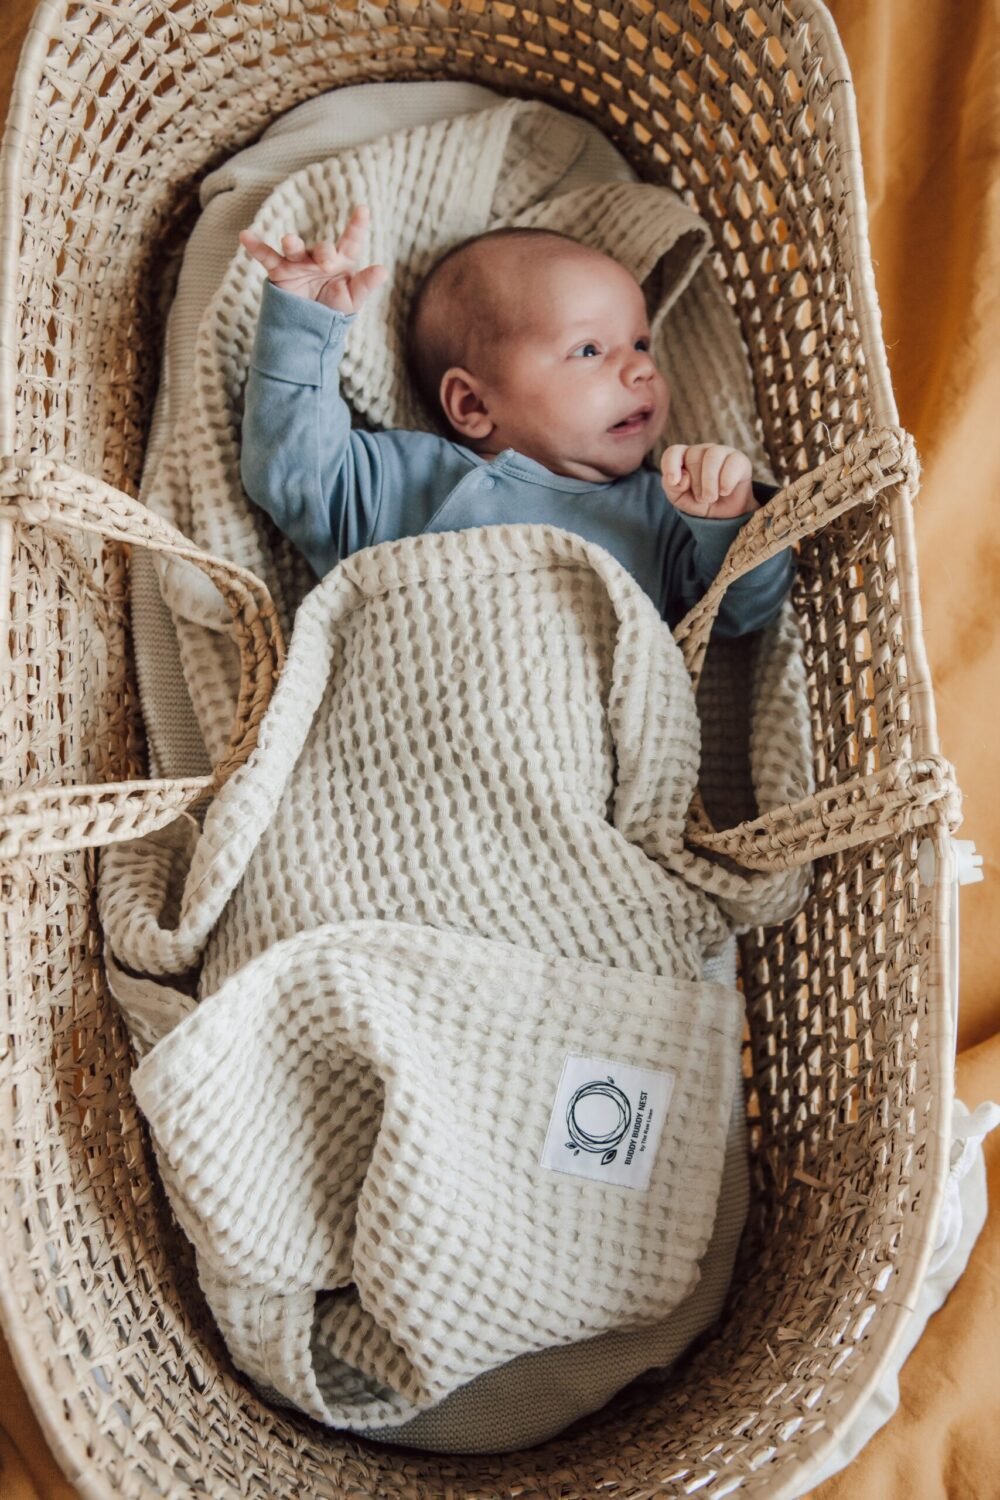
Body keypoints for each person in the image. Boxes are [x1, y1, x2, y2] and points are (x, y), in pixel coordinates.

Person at [239, 204, 792, 634]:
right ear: (473, 406)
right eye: (590, 350)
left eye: (642, 342)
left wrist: (729, 523)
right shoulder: (408, 479)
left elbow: (738, 615)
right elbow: (294, 471)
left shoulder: (661, 514)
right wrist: (305, 326)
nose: (641, 369)